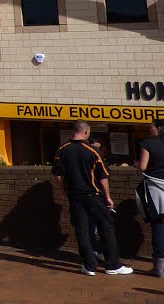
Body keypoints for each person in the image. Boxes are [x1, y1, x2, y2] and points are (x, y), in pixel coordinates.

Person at [52, 119, 132, 276]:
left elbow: (58, 176)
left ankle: (89, 266)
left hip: (74, 196)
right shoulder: (93, 151)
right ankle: (112, 265)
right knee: (106, 227)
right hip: (93, 195)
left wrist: (65, 190)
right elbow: (103, 176)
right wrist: (108, 196)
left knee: (81, 229)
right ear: (86, 132)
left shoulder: (61, 150)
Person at [137, 118, 164, 277]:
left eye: (151, 128)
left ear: (159, 128)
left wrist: (136, 164)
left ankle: (160, 268)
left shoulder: (148, 143)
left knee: (158, 223)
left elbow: (143, 167)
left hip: (155, 188)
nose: (149, 130)